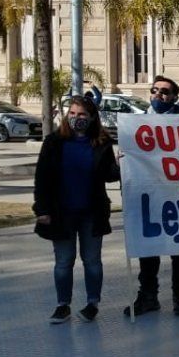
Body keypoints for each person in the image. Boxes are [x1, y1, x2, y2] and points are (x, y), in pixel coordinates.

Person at [34, 96, 120, 324]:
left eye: (81, 114)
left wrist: (120, 166)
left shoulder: (102, 142)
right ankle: (63, 305)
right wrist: (41, 209)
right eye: (72, 113)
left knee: (92, 261)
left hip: (92, 213)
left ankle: (92, 303)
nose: (76, 118)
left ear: (91, 117)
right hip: (61, 213)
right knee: (64, 262)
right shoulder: (54, 142)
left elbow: (108, 175)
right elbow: (42, 177)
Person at [124, 76, 179, 317]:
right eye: (155, 90)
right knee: (148, 249)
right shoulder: (136, 124)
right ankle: (148, 296)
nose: (158, 95)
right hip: (148, 197)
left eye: (165, 92)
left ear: (174, 97)